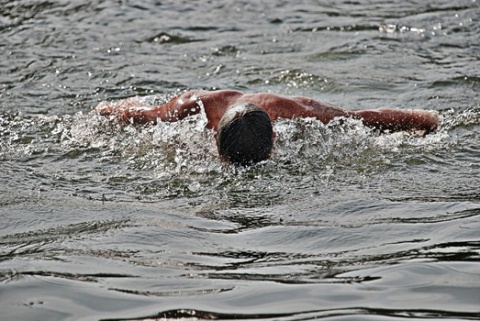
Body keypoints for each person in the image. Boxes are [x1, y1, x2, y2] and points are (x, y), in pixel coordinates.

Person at [95, 89, 439, 166]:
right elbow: (376, 119)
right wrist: (428, 122)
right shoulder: (196, 108)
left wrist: (106, 110)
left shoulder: (304, 115)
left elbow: (369, 116)